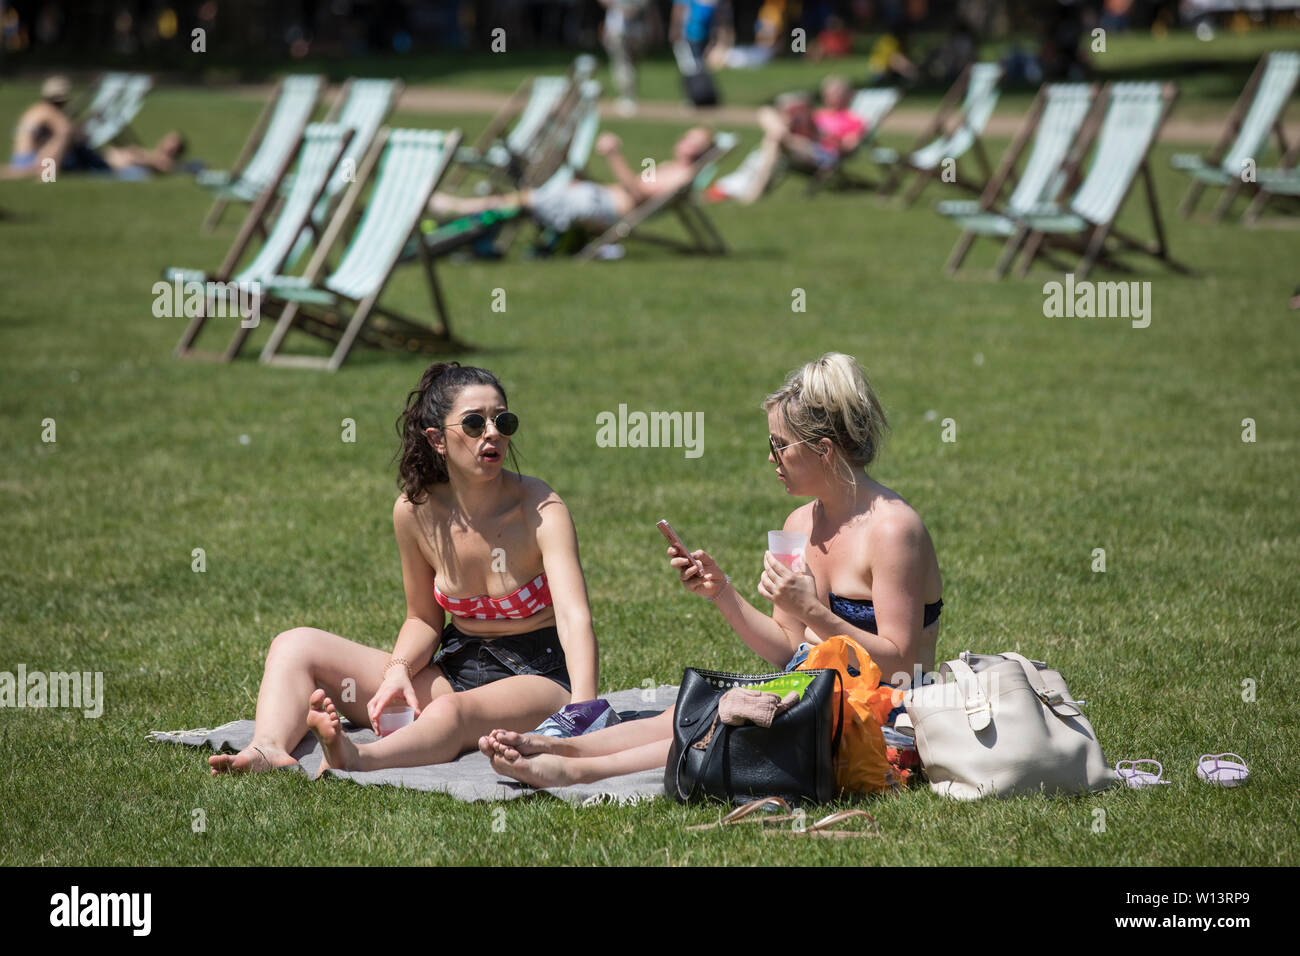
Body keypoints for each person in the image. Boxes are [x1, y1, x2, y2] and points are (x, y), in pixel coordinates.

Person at [479, 352, 944, 788]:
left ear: (823, 450)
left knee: (723, 722)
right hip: (813, 688)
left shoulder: (892, 531)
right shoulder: (800, 524)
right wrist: (722, 593)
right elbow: (787, 648)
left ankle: (574, 772)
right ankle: (566, 746)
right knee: (688, 710)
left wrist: (814, 612)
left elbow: (901, 664)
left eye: (778, 445)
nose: (770, 458)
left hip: (884, 716)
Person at [209, 362, 600, 775]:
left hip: (538, 676)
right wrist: (398, 671)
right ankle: (268, 749)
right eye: (473, 422)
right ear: (437, 439)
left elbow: (575, 618)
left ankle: (358, 757)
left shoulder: (540, 507)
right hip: (456, 665)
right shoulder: (415, 512)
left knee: (451, 713)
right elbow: (423, 618)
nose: (492, 433)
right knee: (295, 644)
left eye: (503, 420)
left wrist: (584, 708)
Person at [427, 127, 715, 236]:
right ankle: (463, 218)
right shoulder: (670, 168)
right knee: (524, 199)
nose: (688, 144)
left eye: (697, 143)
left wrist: (614, 155)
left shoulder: (682, 175)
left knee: (525, 200)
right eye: (688, 137)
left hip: (599, 208)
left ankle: (457, 209)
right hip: (595, 197)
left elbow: (638, 194)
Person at [716, 76, 865, 204]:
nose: (831, 95)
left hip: (822, 154)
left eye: (837, 92)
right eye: (829, 92)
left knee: (775, 139)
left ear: (848, 95)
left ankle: (750, 193)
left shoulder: (853, 119)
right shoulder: (819, 114)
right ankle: (753, 192)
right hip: (801, 143)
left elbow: (848, 147)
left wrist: (827, 136)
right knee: (766, 114)